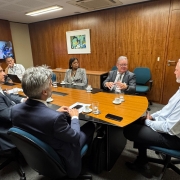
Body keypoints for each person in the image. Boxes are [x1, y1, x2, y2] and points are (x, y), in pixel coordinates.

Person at [11, 66, 95, 178]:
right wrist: (75, 117)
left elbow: (36, 120)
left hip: (39, 156)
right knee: (90, 126)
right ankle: (84, 162)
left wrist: (55, 112)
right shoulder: (54, 119)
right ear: (45, 92)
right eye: (51, 83)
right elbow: (74, 137)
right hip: (60, 156)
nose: (52, 86)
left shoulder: (14, 110)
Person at [123, 59, 180, 178]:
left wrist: (149, 122)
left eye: (176, 70)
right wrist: (153, 116)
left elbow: (168, 128)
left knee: (130, 130)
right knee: (138, 121)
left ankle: (141, 162)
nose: (174, 72)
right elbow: (167, 111)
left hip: (174, 139)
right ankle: (141, 161)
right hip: (170, 129)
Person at [0, 65, 25, 151]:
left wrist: (23, 100)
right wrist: (27, 106)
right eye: (0, 71)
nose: (4, 74)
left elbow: (8, 96)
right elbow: (8, 115)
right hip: (7, 131)